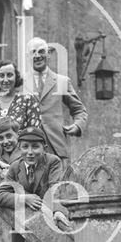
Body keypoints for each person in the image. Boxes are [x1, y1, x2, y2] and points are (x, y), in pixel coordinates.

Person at [26, 37, 87, 169]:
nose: (37, 56)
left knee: (59, 188)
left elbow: (79, 110)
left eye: (41, 51)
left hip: (56, 147)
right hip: (27, 150)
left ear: (48, 54)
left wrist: (77, 126)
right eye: (33, 52)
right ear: (28, 56)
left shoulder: (62, 81)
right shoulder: (20, 83)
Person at [0, 126, 70, 229]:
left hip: (48, 214)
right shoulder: (15, 167)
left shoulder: (53, 162)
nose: (29, 152)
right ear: (19, 149)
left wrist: (57, 210)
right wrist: (24, 199)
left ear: (44, 148)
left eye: (35, 147)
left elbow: (54, 189)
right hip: (26, 221)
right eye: (25, 147)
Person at [0, 59, 41, 132]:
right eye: (1, 76)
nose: (5, 80)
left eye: (9, 75)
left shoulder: (28, 100)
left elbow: (35, 132)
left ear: (16, 77)